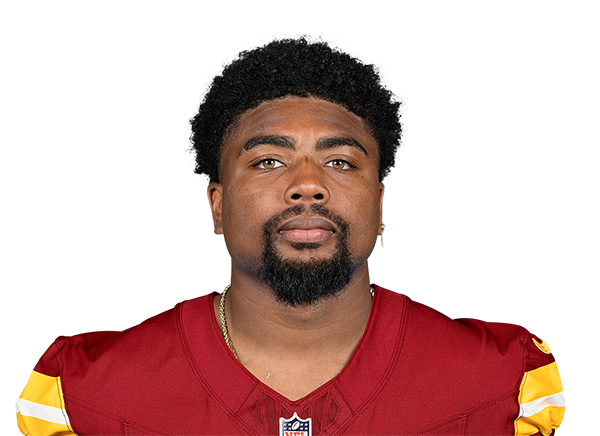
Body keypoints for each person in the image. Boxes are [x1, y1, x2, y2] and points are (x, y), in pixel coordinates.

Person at [16, 39, 565, 436]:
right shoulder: (77, 397)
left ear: (380, 202)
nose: (307, 184)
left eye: (340, 161)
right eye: (269, 160)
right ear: (217, 204)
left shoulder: (514, 385)